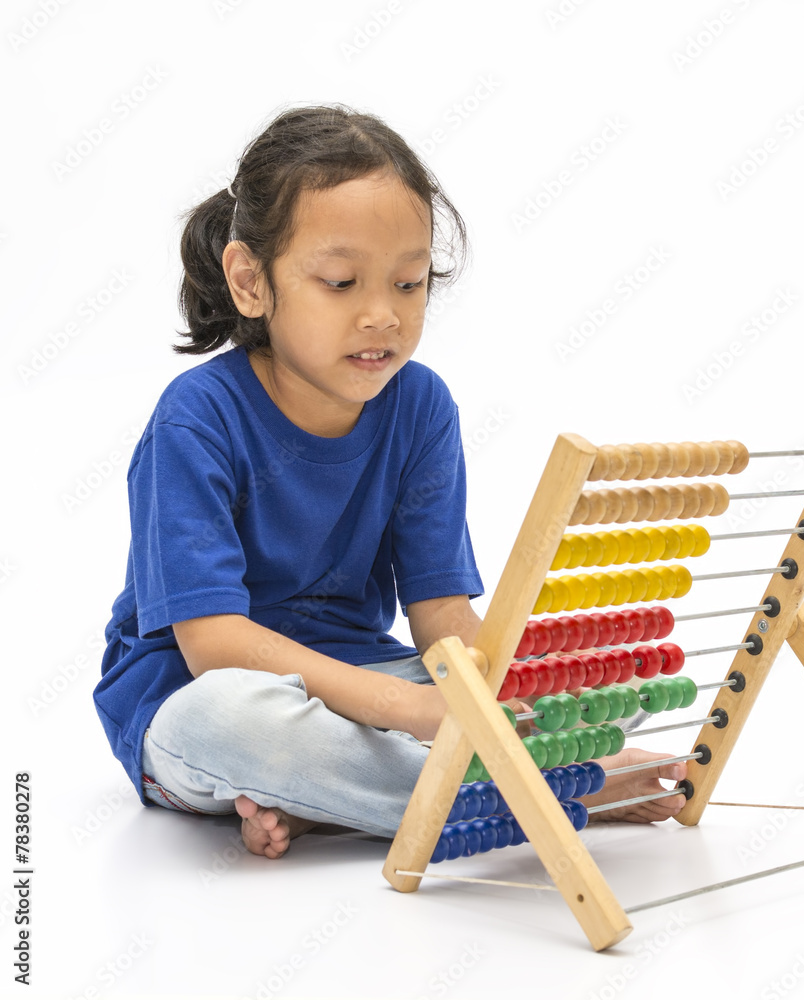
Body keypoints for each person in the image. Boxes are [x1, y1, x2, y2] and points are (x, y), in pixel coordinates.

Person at [93, 104, 686, 861]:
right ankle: (558, 790)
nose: (383, 316)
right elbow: (213, 646)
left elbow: (440, 617)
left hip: (366, 677)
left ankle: (335, 799)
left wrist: (508, 693)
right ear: (249, 281)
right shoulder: (195, 419)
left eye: (408, 283)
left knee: (606, 684)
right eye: (341, 282)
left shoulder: (421, 405)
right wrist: (409, 711)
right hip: (198, 697)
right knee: (231, 721)